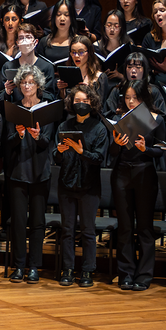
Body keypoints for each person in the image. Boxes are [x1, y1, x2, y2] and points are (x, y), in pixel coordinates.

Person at [109, 80, 165, 292]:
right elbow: (112, 153)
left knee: (144, 227)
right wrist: (117, 143)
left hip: (144, 172)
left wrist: (146, 148)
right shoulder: (118, 119)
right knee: (124, 227)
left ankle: (143, 275)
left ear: (144, 97)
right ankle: (126, 273)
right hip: (122, 173)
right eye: (127, 98)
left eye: (135, 97)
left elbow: (161, 150)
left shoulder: (156, 119)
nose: (131, 102)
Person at [52, 84, 108, 287]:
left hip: (89, 186)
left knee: (87, 230)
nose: (81, 104)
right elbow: (56, 158)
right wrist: (59, 150)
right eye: (77, 101)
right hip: (66, 183)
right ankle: (67, 269)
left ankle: (87, 271)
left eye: (85, 101)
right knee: (67, 229)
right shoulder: (64, 126)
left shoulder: (99, 128)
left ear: (92, 103)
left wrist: (80, 151)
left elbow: (100, 158)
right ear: (71, 103)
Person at [3, 65, 54, 283]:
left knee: (37, 222)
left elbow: (48, 143)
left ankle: (34, 266)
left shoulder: (46, 110)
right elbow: (6, 143)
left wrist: (36, 136)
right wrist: (18, 135)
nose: (26, 86)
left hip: (40, 171)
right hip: (17, 172)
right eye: (23, 82)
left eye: (31, 82)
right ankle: (19, 265)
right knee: (17, 221)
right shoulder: (13, 110)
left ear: (38, 86)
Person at [0, 23, 56, 103]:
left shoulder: (47, 67)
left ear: (35, 42)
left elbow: (51, 96)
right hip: (15, 110)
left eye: (28, 37)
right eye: (21, 38)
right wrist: (7, 92)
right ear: (17, 43)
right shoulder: (8, 67)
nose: (25, 41)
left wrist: (35, 89)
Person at [38, 0, 77, 64]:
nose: (62, 19)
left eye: (66, 15)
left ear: (72, 18)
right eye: (58, 14)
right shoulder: (44, 41)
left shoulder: (78, 42)